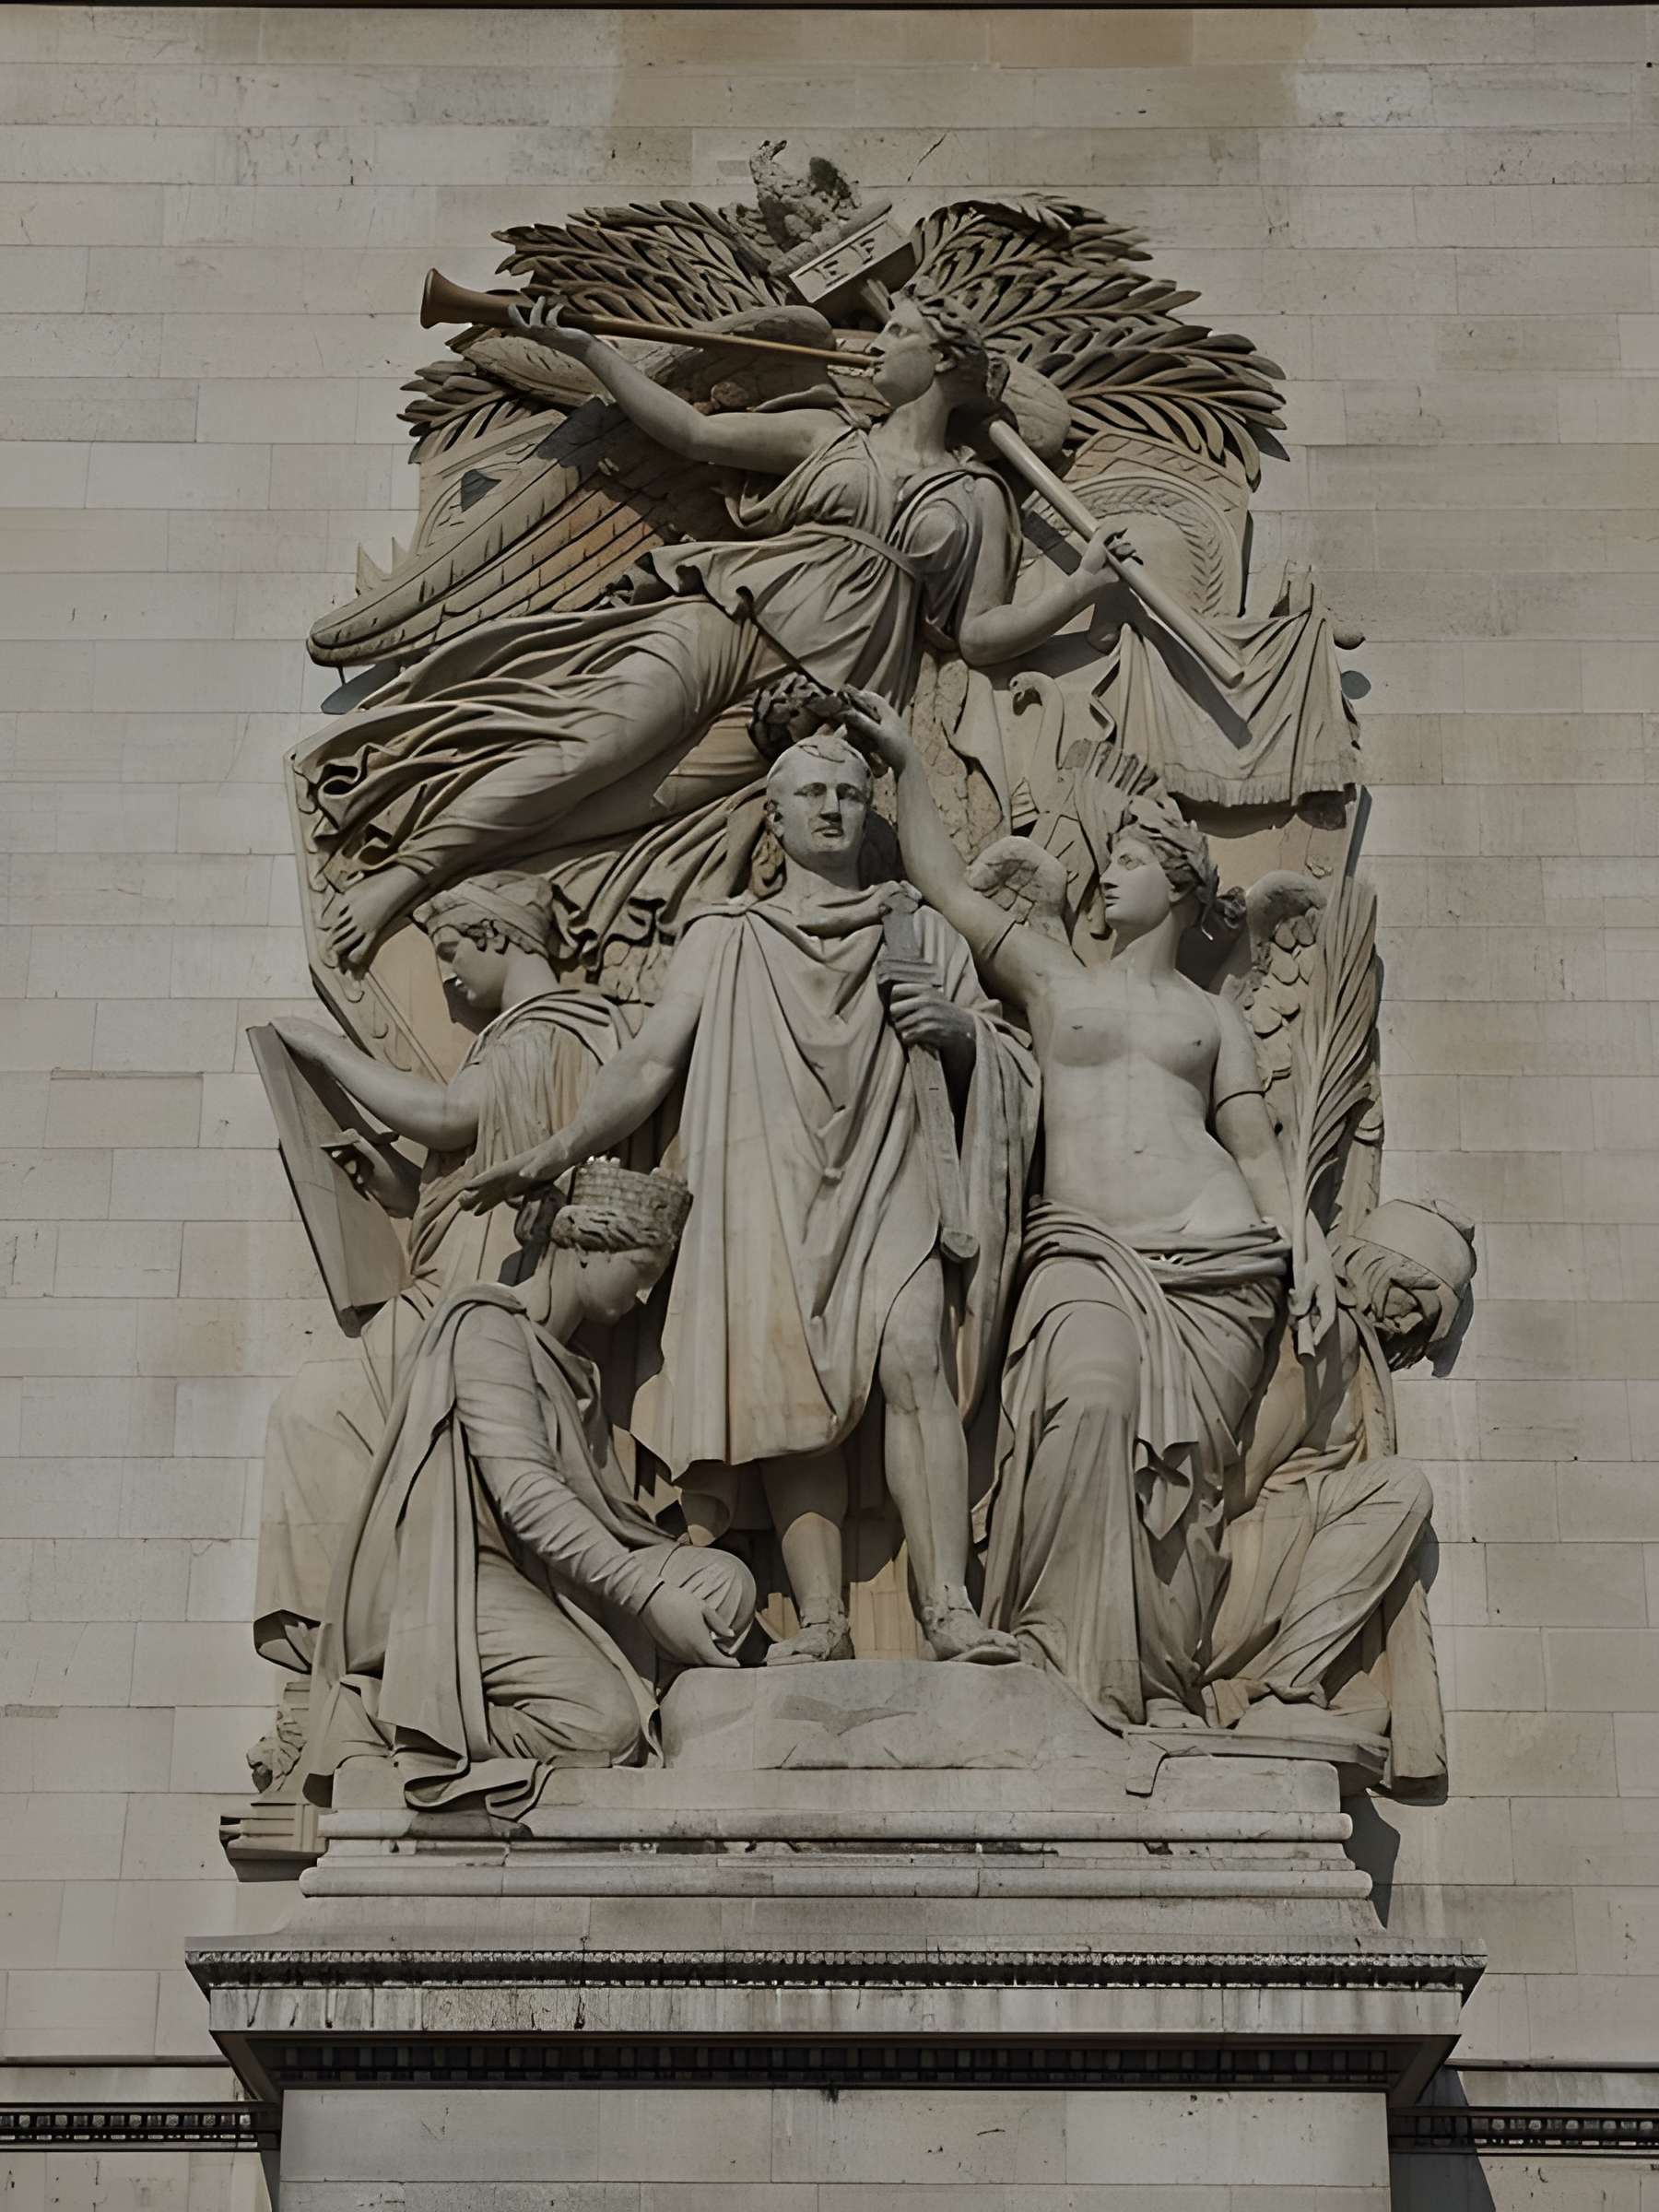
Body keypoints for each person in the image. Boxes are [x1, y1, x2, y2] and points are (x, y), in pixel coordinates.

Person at [301, 284, 1141, 969]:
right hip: (737, 610)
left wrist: (1082, 585)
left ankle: (464, 878)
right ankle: (399, 876)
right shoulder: (826, 435)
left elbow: (981, 633)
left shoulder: (979, 498)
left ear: (944, 360)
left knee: (631, 804)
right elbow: (694, 432)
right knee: (597, 745)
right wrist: (589, 351)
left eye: (897, 333)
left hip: (822, 693)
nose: (873, 345)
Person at [465, 717, 1040, 1665]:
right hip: (766, 1181)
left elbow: (1007, 1054)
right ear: (772, 818)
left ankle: (947, 1607)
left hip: (891, 1171)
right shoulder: (727, 935)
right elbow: (651, 1061)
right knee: (785, 1386)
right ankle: (821, 1618)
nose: (832, 808)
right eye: (811, 793)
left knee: (913, 1359)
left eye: (851, 793)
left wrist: (962, 1033)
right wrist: (554, 1149)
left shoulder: (918, 928)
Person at [851, 688, 1338, 1730]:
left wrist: (1311, 1245)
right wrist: (907, 766)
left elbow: (1255, 1149)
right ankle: (1059, 1661)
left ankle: (1154, 1679)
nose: (1106, 874)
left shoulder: (1214, 1018)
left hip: (1216, 1264)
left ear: (1175, 884)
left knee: (1187, 1481)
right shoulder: (1054, 977)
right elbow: (943, 882)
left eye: (1128, 861)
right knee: (1088, 1397)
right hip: (1083, 1251)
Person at [253, 871, 634, 1677]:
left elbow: (452, 1117)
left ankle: (360, 1632)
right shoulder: (526, 1038)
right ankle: (363, 1631)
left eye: (453, 949)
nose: (448, 977)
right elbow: (469, 1163)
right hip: (460, 1276)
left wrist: (326, 1050)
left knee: (318, 1411)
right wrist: (396, 1184)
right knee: (325, 1416)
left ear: (499, 937)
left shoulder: (545, 1032)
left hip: (476, 1297)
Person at [302, 1161, 757, 1817]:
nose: (644, 1295)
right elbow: (529, 1497)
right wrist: (651, 1595)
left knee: (725, 1584)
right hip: (467, 1579)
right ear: (586, 1246)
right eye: (643, 1270)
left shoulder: (577, 1370)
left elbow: (605, 1519)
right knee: (603, 1727)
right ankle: (384, 1716)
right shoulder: (487, 1329)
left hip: (551, 1578)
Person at [1207, 1198, 1475, 1789]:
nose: (1409, 1328)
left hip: (1267, 1557)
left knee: (1366, 1710)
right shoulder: (1333, 1332)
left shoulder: (1345, 1334)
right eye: (1416, 1303)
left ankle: (1274, 1689)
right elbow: (1241, 1473)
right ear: (1381, 1266)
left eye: (1425, 1327)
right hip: (1227, 1561)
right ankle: (1284, 1686)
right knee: (1398, 1488)